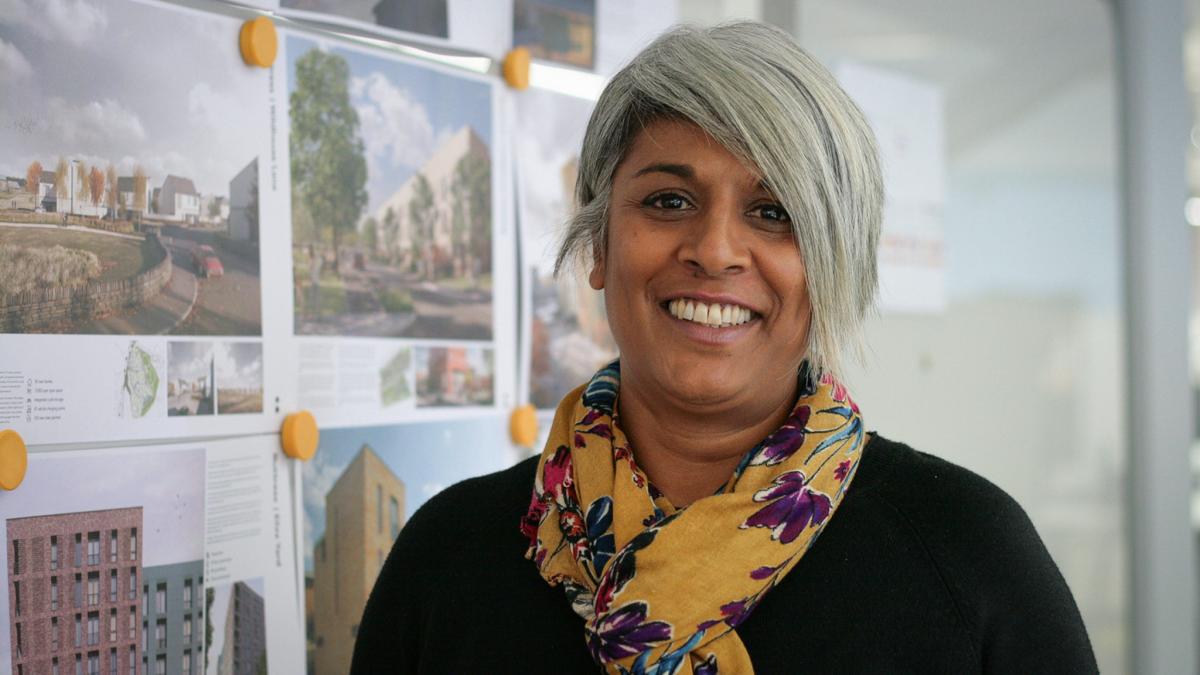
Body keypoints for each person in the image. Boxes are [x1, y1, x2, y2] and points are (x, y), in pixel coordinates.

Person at [351, 21, 1097, 674]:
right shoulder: (448, 558)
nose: (714, 250)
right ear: (600, 245)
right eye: (668, 201)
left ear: (833, 267)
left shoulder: (967, 558)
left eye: (773, 212)